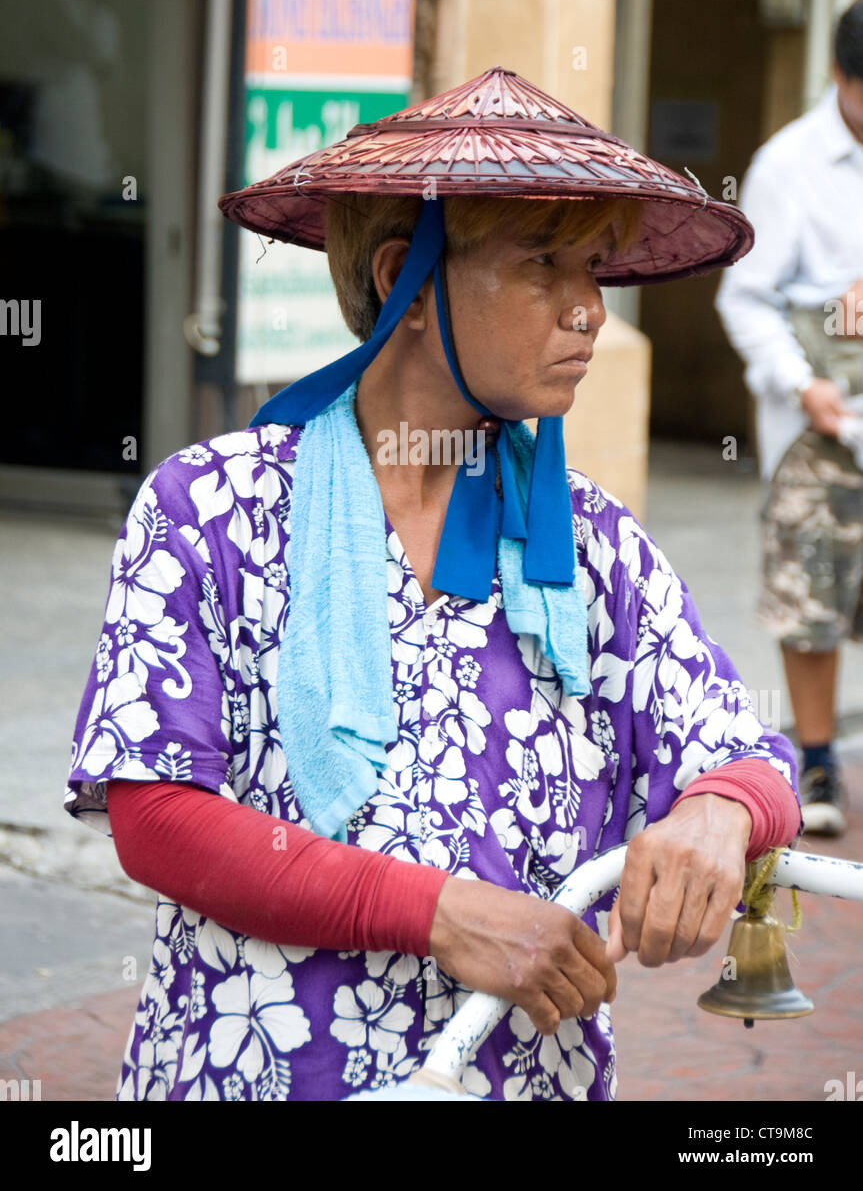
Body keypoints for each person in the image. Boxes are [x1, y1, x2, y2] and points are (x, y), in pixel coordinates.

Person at [66, 67, 802, 1102]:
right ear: (402, 274)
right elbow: (158, 815)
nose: (587, 309)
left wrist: (716, 812)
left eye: (592, 266)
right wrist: (440, 911)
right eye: (542, 263)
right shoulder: (211, 509)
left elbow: (746, 755)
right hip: (251, 1071)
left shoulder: (590, 545)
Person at [716, 1, 863, 838]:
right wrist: (798, 381)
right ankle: (815, 756)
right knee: (810, 597)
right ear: (842, 78)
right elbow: (746, 296)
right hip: (820, 424)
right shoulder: (788, 165)